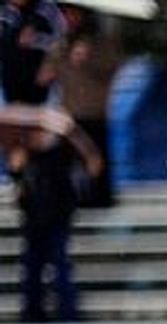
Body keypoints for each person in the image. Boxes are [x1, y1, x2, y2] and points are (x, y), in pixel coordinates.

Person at [8, 121, 97, 322]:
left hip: (56, 219)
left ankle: (67, 312)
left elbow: (91, 165)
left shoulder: (62, 155)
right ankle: (33, 313)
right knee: (33, 269)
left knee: (60, 266)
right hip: (34, 222)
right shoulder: (27, 155)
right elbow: (17, 179)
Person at [50, 3, 121, 206]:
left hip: (94, 112)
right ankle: (73, 200)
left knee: (97, 161)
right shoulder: (63, 41)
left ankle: (99, 201)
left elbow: (112, 67)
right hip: (70, 113)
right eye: (66, 14)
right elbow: (51, 72)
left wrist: (89, 58)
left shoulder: (101, 41)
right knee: (72, 163)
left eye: (73, 14)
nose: (69, 18)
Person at [0, 0, 63, 105]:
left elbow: (62, 39)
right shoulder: (4, 9)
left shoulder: (47, 8)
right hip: (8, 83)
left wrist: (36, 40)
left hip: (40, 86)